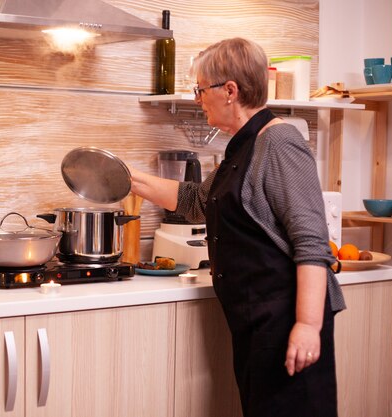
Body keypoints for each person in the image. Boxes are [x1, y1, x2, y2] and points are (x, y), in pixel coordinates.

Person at [129, 37, 346, 417]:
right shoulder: (243, 148)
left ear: (230, 91)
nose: (198, 98)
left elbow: (312, 243)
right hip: (256, 322)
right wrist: (125, 177)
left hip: (285, 321)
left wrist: (308, 326)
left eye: (201, 89)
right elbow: (196, 201)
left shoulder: (279, 142)